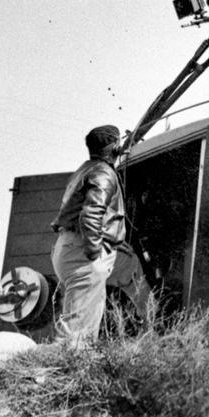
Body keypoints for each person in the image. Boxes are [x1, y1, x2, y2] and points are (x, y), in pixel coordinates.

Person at [49, 125, 127, 342]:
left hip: (70, 246)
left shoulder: (85, 169)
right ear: (114, 147)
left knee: (83, 322)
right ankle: (65, 368)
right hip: (84, 251)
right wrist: (94, 253)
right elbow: (91, 213)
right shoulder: (103, 173)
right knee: (75, 334)